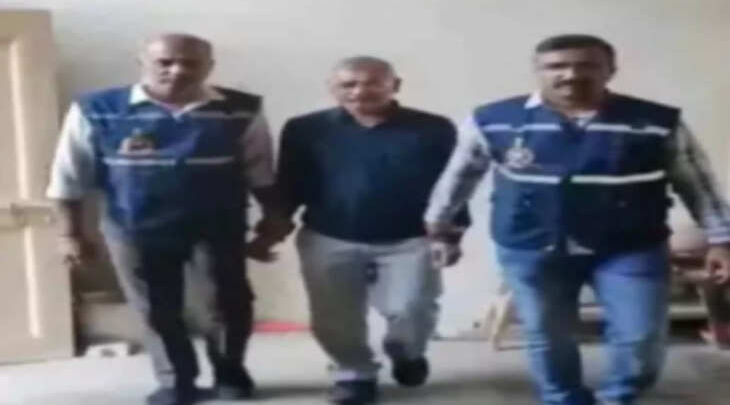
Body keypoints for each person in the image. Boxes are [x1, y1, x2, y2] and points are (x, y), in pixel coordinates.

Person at [424, 34, 730, 405]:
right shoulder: (492, 120)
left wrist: (721, 240)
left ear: (610, 70)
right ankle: (562, 399)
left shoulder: (656, 121)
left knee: (642, 339)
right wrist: (442, 231)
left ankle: (618, 397)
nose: (571, 74)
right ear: (538, 71)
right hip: (531, 245)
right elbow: (457, 179)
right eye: (557, 66)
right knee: (547, 335)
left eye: (587, 65)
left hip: (630, 246)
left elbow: (697, 183)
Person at [46, 33, 287, 405]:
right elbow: (68, 177)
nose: (177, 70)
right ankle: (175, 381)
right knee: (156, 308)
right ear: (141, 62)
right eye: (165, 62)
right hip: (133, 228)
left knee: (227, 304)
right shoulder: (98, 108)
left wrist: (272, 223)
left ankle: (230, 374)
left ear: (209, 67)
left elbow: (260, 172)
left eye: (190, 63)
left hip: (217, 225)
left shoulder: (240, 109)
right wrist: (69, 235)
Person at [272, 56, 467, 405]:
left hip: (412, 238)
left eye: (373, 83)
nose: (360, 91)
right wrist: (272, 228)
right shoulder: (305, 129)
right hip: (329, 236)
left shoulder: (433, 128)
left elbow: (452, 186)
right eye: (348, 84)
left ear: (395, 85)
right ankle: (354, 373)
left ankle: (407, 352)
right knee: (334, 316)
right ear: (332, 88)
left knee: (413, 308)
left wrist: (449, 236)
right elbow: (290, 182)